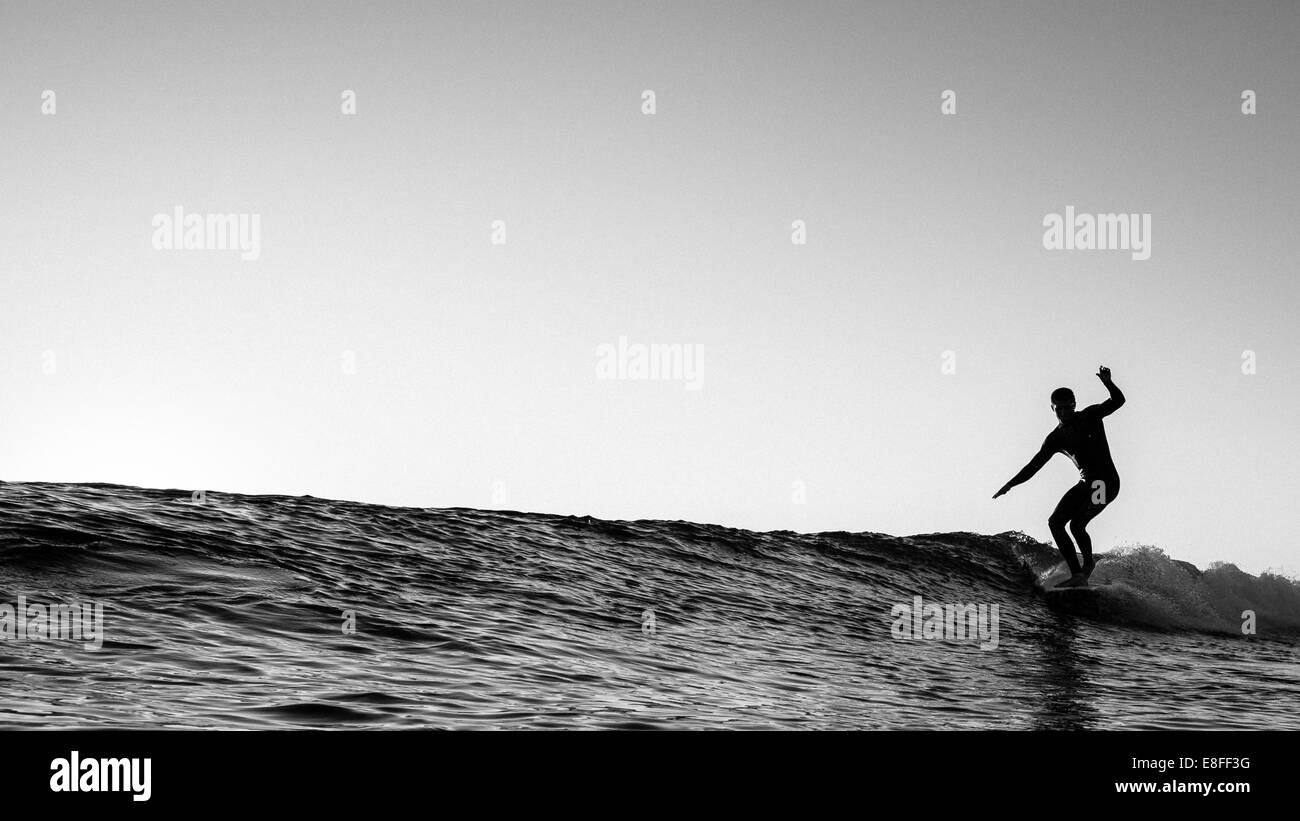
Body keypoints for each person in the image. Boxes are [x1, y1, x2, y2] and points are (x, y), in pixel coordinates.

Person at [993, 366, 1125, 587]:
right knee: (1055, 522)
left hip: (1106, 483)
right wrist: (1010, 484)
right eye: (1058, 409)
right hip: (1086, 483)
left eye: (1067, 407)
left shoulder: (1091, 415)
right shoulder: (1056, 438)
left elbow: (1118, 401)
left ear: (1074, 405)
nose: (1063, 412)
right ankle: (1077, 575)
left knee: (1077, 525)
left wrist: (1108, 382)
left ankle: (1087, 567)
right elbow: (1033, 466)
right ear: (1052, 408)